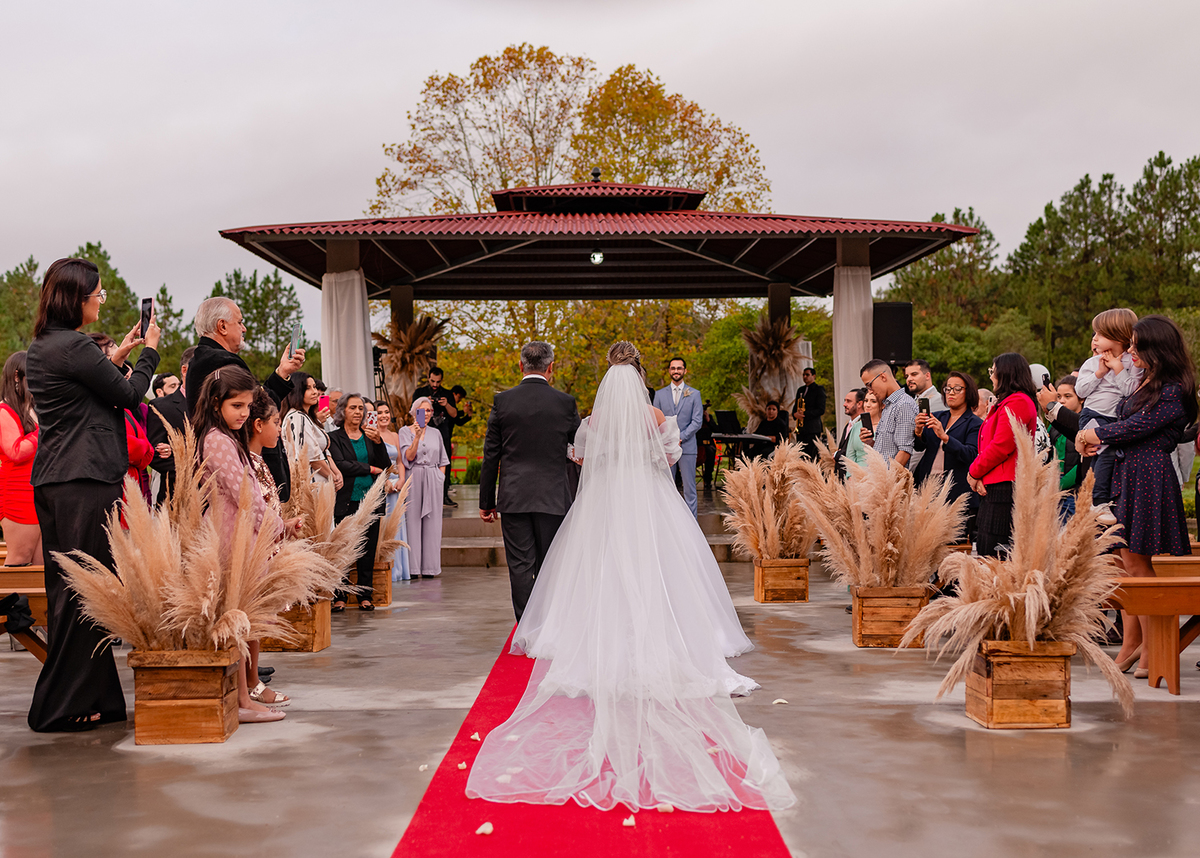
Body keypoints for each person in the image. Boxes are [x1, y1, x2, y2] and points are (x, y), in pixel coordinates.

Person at [465, 341, 794, 812]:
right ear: (641, 375)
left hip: (602, 506)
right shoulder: (657, 418)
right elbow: (668, 460)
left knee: (597, 573)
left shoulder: (591, 422)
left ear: (606, 380)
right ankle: (664, 638)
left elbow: (578, 458)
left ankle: (588, 638)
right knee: (659, 570)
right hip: (649, 504)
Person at [26, 257, 160, 732]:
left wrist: (118, 356)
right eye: (97, 294)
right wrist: (149, 354)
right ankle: (58, 706)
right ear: (76, 299)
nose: (101, 300)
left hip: (57, 479)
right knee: (89, 591)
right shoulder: (77, 346)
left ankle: (97, 697)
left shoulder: (46, 345)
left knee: (77, 590)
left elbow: (88, 388)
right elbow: (129, 397)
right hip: (84, 479)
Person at [1078, 316, 1197, 678]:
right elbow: (1126, 424)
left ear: (1154, 348)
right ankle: (1135, 644)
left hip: (1148, 476)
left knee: (1137, 564)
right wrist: (1093, 434)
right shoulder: (1147, 382)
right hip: (1130, 473)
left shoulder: (1174, 389)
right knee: (1123, 562)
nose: (1129, 351)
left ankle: (1153, 647)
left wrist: (1096, 434)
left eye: (1135, 345)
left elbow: (1137, 427)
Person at [193, 367, 299, 723]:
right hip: (231, 535)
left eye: (247, 406)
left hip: (245, 534)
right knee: (236, 619)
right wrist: (277, 529)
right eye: (236, 405)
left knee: (243, 619)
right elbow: (246, 497)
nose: (243, 413)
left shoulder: (228, 437)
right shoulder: (217, 440)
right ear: (215, 403)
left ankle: (244, 696)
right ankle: (242, 700)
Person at [479, 342, 581, 618]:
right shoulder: (566, 403)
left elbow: (491, 456)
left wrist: (486, 502)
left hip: (514, 497)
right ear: (551, 368)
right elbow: (580, 451)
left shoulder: (503, 402)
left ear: (520, 365)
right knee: (552, 564)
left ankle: (526, 627)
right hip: (554, 497)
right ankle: (549, 625)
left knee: (521, 566)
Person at [185, 296, 303, 499]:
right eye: (239, 322)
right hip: (239, 469)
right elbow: (259, 408)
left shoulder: (204, 358)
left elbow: (259, 401)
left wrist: (283, 372)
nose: (244, 328)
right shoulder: (222, 361)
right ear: (222, 326)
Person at [244, 386, 297, 708]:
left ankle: (253, 680)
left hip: (265, 543)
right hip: (251, 548)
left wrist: (284, 526)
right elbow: (252, 509)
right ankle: (250, 682)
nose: (279, 429)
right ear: (258, 425)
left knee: (258, 619)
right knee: (252, 619)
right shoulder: (247, 462)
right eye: (275, 422)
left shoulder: (259, 461)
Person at [967, 354, 1039, 557]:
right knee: (985, 548)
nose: (991, 376)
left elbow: (1002, 446)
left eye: (993, 371)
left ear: (1006, 373)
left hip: (1006, 487)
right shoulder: (1008, 402)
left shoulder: (1018, 402)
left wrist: (974, 471)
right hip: (994, 485)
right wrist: (981, 476)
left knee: (993, 553)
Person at [1073, 308, 1141, 523]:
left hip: (1117, 419)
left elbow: (1131, 391)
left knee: (1106, 456)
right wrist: (1099, 374)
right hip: (1094, 415)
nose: (1094, 339)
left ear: (1118, 335)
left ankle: (1099, 500)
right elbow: (1081, 391)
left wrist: (1118, 368)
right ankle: (1099, 501)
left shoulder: (1134, 362)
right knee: (1106, 453)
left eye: (1099, 334)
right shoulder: (1091, 364)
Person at [328, 393, 390, 610]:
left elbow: (385, 464)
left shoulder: (370, 436)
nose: (357, 412)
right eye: (353, 408)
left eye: (361, 408)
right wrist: (368, 468)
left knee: (368, 548)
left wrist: (379, 442)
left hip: (370, 499)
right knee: (344, 547)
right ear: (343, 411)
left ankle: (365, 595)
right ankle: (340, 596)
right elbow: (341, 464)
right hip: (347, 500)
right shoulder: (334, 437)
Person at [913, 371, 983, 538]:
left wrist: (945, 437)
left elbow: (971, 454)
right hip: (929, 488)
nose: (951, 393)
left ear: (969, 392)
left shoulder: (975, 423)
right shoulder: (937, 416)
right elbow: (920, 446)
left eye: (957, 389)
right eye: (948, 389)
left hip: (956, 491)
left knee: (954, 546)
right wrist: (918, 431)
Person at [400, 396, 451, 580]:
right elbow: (409, 457)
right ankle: (414, 568)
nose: (426, 414)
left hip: (432, 477)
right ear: (414, 412)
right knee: (412, 521)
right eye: (422, 411)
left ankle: (430, 567)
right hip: (414, 476)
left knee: (433, 522)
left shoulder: (436, 433)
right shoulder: (405, 431)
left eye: (429, 410)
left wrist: (440, 477)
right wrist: (417, 436)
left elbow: (443, 459)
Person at [0, 352, 41, 566]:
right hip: (17, 494)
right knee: (20, 558)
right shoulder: (4, 410)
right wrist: (43, 430)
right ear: (17, 376)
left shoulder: (34, 409)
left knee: (41, 563)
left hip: (40, 491)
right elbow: (15, 451)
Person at [652, 357, 703, 516]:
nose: (676, 371)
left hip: (687, 447)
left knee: (689, 489)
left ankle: (692, 526)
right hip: (665, 448)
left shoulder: (695, 394)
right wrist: (669, 439)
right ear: (669, 371)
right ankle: (669, 524)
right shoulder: (659, 395)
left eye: (679, 368)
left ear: (685, 371)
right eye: (673, 368)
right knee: (667, 487)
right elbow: (655, 421)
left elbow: (697, 421)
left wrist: (680, 437)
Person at [146, 347, 195, 506]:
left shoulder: (217, 405)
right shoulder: (161, 406)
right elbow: (154, 454)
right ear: (185, 370)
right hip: (176, 499)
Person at [280, 372, 341, 489]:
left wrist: (336, 472)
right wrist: (332, 476)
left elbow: (322, 451)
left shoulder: (306, 417)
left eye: (314, 387)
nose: (314, 392)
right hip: (311, 486)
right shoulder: (297, 417)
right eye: (308, 388)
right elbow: (312, 456)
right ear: (296, 390)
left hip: (320, 483)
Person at [374, 401, 410, 582]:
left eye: (386, 412)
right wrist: (385, 482)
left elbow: (401, 462)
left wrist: (401, 480)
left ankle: (400, 569)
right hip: (382, 484)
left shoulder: (395, 435)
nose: (384, 416)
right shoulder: (372, 435)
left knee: (398, 526)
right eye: (380, 412)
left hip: (397, 485)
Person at [413, 367, 459, 506]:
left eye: (438, 382)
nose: (435, 385)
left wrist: (446, 404)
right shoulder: (420, 393)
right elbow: (415, 416)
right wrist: (425, 404)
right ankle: (422, 496)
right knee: (422, 462)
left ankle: (443, 495)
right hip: (424, 432)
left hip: (443, 433)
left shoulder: (447, 394)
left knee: (444, 463)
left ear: (441, 380)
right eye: (432, 381)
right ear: (428, 378)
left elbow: (454, 415)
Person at [858, 360, 917, 467]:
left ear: (883, 377)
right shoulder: (889, 405)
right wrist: (871, 443)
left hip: (888, 481)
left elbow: (904, 451)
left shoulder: (904, 404)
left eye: (869, 385)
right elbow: (888, 451)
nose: (870, 391)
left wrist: (886, 481)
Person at [793, 366, 827, 459]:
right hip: (801, 429)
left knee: (811, 454)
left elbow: (821, 409)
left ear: (814, 376)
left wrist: (804, 415)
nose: (805, 377)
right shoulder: (800, 390)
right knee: (801, 454)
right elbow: (795, 406)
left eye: (807, 375)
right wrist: (794, 414)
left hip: (813, 428)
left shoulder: (818, 389)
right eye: (803, 375)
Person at [844, 390, 880, 470]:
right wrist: (850, 476)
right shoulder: (856, 426)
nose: (868, 405)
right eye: (866, 401)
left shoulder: (885, 426)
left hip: (878, 473)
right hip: (856, 474)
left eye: (873, 401)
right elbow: (850, 455)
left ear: (882, 405)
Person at [696, 400, 717, 489]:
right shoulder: (693, 418)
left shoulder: (709, 418)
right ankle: (679, 479)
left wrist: (708, 420)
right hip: (696, 443)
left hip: (708, 444)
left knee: (710, 452)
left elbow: (716, 429)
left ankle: (708, 480)